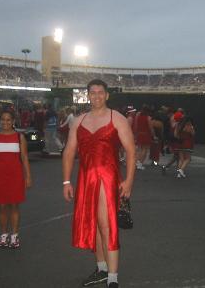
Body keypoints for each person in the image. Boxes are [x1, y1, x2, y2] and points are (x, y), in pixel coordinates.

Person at [62, 79, 136, 288]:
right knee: (93, 225)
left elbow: (131, 150)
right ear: (88, 95)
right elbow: (69, 151)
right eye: (92, 92)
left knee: (106, 225)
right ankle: (102, 269)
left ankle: (112, 278)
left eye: (100, 92)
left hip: (107, 179)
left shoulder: (117, 119)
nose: (96, 96)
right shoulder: (79, 121)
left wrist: (129, 181)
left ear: (107, 95)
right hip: (86, 179)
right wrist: (66, 181)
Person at [0, 109, 32, 249]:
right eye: (3, 120)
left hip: (16, 176)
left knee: (14, 206)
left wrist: (28, 176)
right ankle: (4, 235)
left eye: (8, 120)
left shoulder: (19, 137)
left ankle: (14, 236)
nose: (5, 122)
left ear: (13, 121)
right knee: (2, 207)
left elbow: (24, 158)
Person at [134, 105, 156, 170]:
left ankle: (137, 162)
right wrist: (154, 135)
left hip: (139, 134)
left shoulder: (138, 116)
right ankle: (140, 164)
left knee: (139, 149)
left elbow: (136, 125)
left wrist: (135, 134)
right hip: (146, 135)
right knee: (145, 150)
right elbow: (151, 128)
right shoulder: (148, 118)